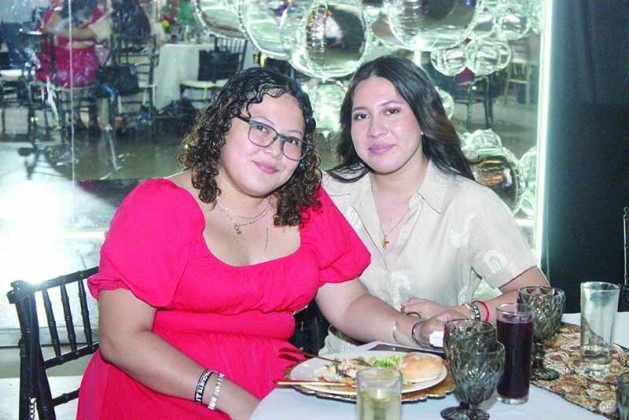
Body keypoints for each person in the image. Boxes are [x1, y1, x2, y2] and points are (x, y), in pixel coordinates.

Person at [76, 67, 433, 419]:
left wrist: (415, 331)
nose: (275, 150)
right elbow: (121, 339)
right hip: (164, 391)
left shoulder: (304, 205)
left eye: (291, 140)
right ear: (222, 125)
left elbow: (349, 303)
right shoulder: (158, 206)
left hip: (272, 389)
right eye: (260, 128)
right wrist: (232, 398)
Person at [321, 55, 549, 353]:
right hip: (340, 372)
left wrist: (468, 313)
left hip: (439, 371)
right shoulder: (329, 196)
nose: (375, 129)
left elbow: (538, 297)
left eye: (391, 111)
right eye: (361, 116)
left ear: (423, 119)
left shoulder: (469, 203)